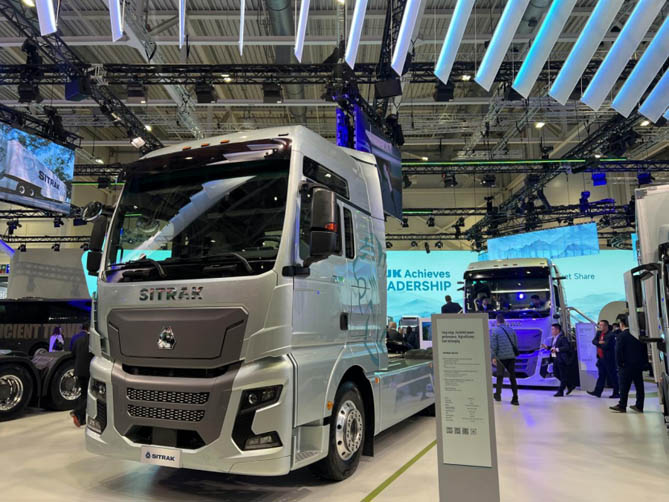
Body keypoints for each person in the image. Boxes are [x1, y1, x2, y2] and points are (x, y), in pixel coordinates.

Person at [610, 314, 647, 413]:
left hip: (625, 365)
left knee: (624, 386)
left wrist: (619, 364)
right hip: (638, 364)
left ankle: (622, 405)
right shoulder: (638, 334)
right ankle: (639, 405)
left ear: (621, 324)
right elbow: (644, 349)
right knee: (639, 386)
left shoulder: (622, 336)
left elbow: (618, 351)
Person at [490, 314, 519, 405]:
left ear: (497, 321)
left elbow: (494, 346)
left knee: (500, 376)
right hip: (511, 357)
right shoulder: (511, 330)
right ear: (504, 321)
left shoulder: (495, 331)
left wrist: (493, 357)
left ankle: (498, 395)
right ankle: (515, 398)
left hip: (501, 358)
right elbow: (515, 344)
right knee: (512, 377)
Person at [542, 323, 577, 397]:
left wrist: (557, 349)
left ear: (557, 330)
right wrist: (548, 347)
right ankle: (570, 385)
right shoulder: (554, 338)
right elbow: (554, 347)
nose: (551, 331)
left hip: (561, 359)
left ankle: (560, 391)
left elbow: (566, 347)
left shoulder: (562, 338)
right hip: (555, 359)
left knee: (563, 375)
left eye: (553, 329)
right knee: (556, 374)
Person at [587, 320, 620, 398]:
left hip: (609, 359)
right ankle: (597, 392)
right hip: (601, 358)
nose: (600, 326)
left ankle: (616, 393)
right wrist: (599, 342)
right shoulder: (599, 333)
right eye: (599, 325)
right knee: (601, 375)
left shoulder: (611, 335)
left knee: (613, 376)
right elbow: (593, 341)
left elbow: (606, 346)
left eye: (601, 325)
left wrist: (598, 343)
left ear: (606, 326)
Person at [70, 328, 92, 427]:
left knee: (83, 394)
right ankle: (77, 412)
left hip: (79, 371)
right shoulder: (93, 341)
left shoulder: (78, 340)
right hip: (89, 371)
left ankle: (81, 419)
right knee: (90, 394)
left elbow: (72, 354)